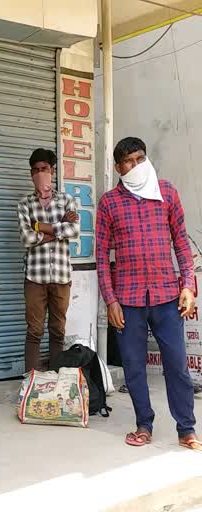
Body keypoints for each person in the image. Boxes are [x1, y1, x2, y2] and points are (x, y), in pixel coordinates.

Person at [96, 136, 200, 450]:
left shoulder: (166, 192)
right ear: (118, 167)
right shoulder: (110, 202)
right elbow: (101, 255)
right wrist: (110, 300)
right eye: (128, 161)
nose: (136, 166)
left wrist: (188, 285)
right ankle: (144, 424)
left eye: (140, 159)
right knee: (133, 365)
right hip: (127, 299)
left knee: (177, 365)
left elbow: (181, 242)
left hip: (167, 295)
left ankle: (186, 429)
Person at [16, 148, 80, 372]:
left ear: (52, 171)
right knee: (34, 331)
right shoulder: (25, 204)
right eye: (35, 170)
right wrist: (59, 226)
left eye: (44, 169)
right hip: (35, 276)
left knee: (57, 331)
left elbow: (74, 231)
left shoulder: (66, 200)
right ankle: (31, 381)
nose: (39, 173)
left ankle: (56, 379)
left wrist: (41, 228)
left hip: (61, 276)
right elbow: (26, 238)